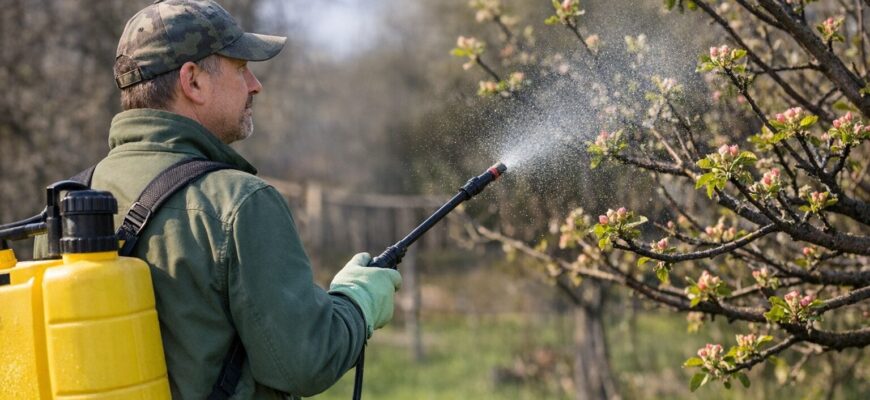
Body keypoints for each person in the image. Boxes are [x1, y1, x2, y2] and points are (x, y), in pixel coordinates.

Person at [37, 0, 402, 398]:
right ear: (192, 81)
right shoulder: (240, 202)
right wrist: (356, 303)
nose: (255, 85)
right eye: (241, 68)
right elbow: (305, 362)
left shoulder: (63, 210)